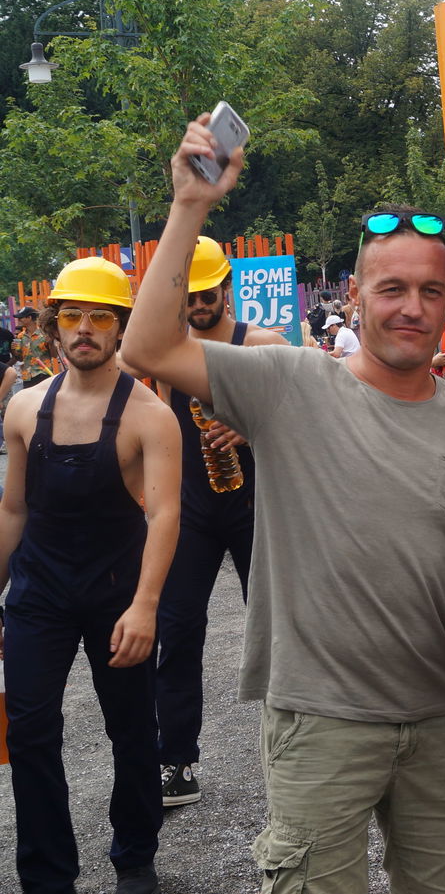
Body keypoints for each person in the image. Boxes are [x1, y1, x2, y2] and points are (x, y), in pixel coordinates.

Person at [121, 114, 445, 894]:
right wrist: (188, 207)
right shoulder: (292, 381)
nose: (412, 306)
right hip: (319, 718)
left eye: (430, 290)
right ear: (355, 296)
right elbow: (149, 348)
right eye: (391, 288)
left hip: (439, 715)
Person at [1, 258, 181, 894]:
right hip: (38, 594)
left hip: (116, 593)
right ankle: (47, 877)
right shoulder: (23, 409)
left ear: (120, 327)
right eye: (72, 316)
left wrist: (146, 605)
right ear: (53, 327)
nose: (84, 329)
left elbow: (164, 515)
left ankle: (134, 856)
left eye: (100, 317)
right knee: (29, 732)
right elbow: (14, 508)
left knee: (131, 728)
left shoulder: (149, 416)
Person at [152, 236, 287, 808]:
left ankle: (297, 745)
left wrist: (252, 428)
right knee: (178, 629)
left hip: (255, 504)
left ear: (226, 288)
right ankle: (176, 760)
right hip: (191, 511)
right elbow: (159, 426)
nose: (199, 303)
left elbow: (301, 425)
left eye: (208, 292)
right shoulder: (167, 352)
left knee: (282, 627)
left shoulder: (261, 345)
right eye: (190, 294)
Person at [13, 307, 55, 389]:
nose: (18, 320)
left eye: (21, 318)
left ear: (29, 318)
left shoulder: (44, 333)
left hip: (43, 374)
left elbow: (54, 355)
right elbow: (20, 359)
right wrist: (14, 351)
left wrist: (51, 343)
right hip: (27, 377)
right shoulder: (20, 336)